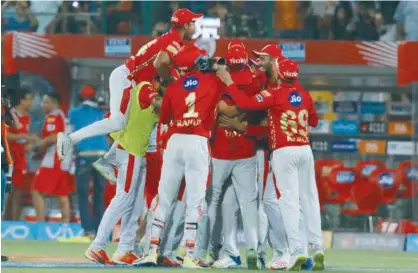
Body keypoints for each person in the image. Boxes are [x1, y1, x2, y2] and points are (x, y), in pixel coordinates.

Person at [57, 8, 203, 175]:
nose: (195, 25)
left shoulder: (173, 40)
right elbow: (159, 63)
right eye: (192, 22)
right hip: (127, 78)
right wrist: (171, 82)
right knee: (117, 122)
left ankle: (108, 161)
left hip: (131, 81)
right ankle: (70, 139)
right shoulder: (173, 42)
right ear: (185, 25)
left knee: (130, 123)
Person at [216, 59, 324, 271]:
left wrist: (228, 82)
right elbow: (313, 121)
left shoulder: (274, 93)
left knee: (288, 202)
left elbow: (245, 104)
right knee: (310, 199)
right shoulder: (305, 94)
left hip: (284, 151)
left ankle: (296, 252)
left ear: (280, 74)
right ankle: (317, 247)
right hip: (305, 149)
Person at [135, 44, 227, 269]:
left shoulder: (174, 87)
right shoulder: (212, 81)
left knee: (164, 198)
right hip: (197, 141)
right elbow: (229, 85)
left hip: (175, 142)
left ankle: (151, 250)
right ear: (199, 63)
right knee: (195, 201)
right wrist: (216, 69)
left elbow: (165, 117)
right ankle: (190, 254)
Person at [82, 82, 162, 265]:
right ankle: (97, 246)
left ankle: (125, 249)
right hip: (131, 150)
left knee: (134, 203)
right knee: (123, 199)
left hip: (138, 151)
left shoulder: (136, 89)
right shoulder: (144, 87)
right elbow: (160, 106)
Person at [204, 41, 262, 269]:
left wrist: (225, 81)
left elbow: (225, 108)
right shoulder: (254, 79)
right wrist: (238, 111)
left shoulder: (218, 77)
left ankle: (211, 252)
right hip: (245, 151)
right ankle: (250, 252)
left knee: (214, 202)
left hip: (221, 152)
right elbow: (238, 107)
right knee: (239, 204)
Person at [68, 85, 109, 239]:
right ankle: (100, 232)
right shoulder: (103, 112)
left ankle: (87, 231)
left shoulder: (74, 113)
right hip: (103, 155)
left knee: (83, 194)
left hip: (84, 155)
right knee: (99, 194)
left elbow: (69, 135)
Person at [31, 93, 71, 222]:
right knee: (62, 194)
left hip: (54, 160)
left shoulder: (53, 116)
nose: (43, 105)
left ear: (54, 103)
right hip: (64, 161)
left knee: (36, 190)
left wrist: (36, 147)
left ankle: (40, 223)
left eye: (46, 102)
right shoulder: (62, 116)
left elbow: (53, 137)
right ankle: (66, 225)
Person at [6, 88, 37, 221]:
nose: (31, 102)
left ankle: (14, 222)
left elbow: (24, 138)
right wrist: (22, 136)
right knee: (7, 190)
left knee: (17, 192)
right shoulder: (9, 114)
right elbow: (4, 134)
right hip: (9, 157)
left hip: (21, 158)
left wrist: (29, 144)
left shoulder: (27, 117)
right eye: (29, 99)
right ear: (22, 100)